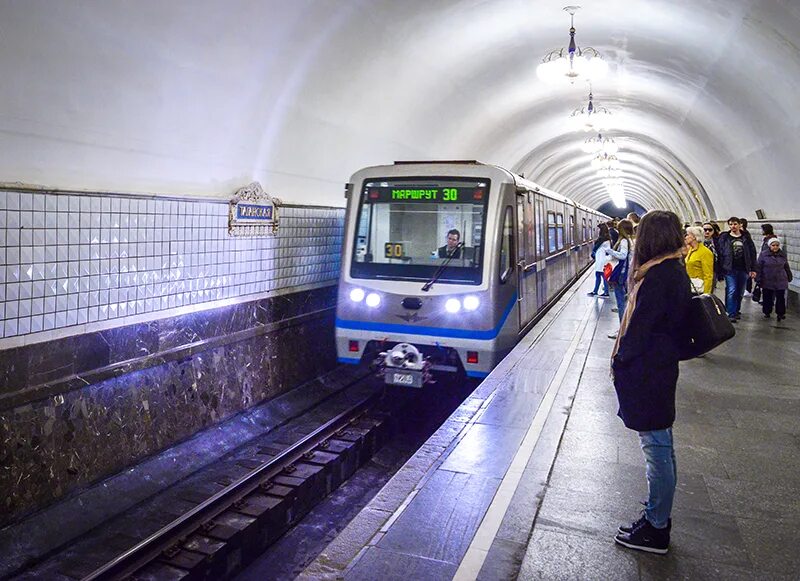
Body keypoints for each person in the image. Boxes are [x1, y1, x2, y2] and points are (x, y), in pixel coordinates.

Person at [611, 210, 692, 555]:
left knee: (656, 448)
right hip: (661, 366)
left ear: (650, 238)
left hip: (650, 370)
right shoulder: (674, 270)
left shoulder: (659, 275)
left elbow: (641, 329)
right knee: (662, 444)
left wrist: (621, 359)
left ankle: (656, 528)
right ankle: (656, 516)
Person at [717, 217, 757, 322]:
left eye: (735, 224)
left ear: (740, 225)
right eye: (730, 224)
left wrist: (753, 268)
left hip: (743, 268)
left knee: (740, 291)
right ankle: (731, 313)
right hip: (729, 268)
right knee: (732, 289)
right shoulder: (725, 237)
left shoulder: (746, 238)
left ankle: (736, 309)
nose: (732, 226)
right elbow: (720, 253)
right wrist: (720, 269)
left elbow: (752, 253)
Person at [607, 219, 634, 338]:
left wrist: (610, 251)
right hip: (627, 274)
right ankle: (626, 328)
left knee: (621, 303)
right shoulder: (631, 240)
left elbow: (623, 256)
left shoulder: (623, 241)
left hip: (620, 275)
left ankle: (622, 331)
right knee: (626, 302)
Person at [757, 237, 793, 321]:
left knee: (780, 297)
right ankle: (767, 311)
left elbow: (786, 266)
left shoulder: (782, 255)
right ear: (770, 246)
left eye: (777, 245)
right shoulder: (764, 254)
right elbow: (759, 266)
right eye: (773, 245)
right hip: (767, 278)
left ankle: (780, 313)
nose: (775, 247)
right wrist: (758, 278)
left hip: (780, 279)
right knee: (767, 297)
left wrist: (789, 276)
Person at [684, 226, 714, 294]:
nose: (685, 237)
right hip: (690, 286)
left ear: (694, 237)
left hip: (699, 288)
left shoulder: (705, 252)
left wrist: (706, 294)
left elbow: (708, 275)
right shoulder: (690, 250)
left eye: (688, 235)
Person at [589, 224, 612, 297]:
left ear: (601, 230)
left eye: (599, 229)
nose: (598, 231)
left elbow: (596, 248)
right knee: (598, 275)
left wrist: (593, 253)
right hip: (601, 259)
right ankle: (595, 291)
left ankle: (606, 292)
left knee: (603, 276)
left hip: (602, 260)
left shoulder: (603, 239)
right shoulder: (607, 238)